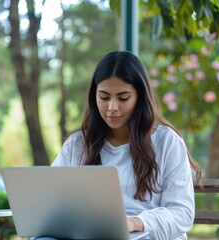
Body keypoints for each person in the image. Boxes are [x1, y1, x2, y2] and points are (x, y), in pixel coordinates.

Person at [52, 50, 202, 240]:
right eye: (104, 97)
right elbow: (53, 200)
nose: (112, 107)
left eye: (123, 98)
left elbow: (182, 214)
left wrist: (135, 222)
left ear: (140, 98)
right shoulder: (78, 144)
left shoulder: (167, 142)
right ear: (94, 96)